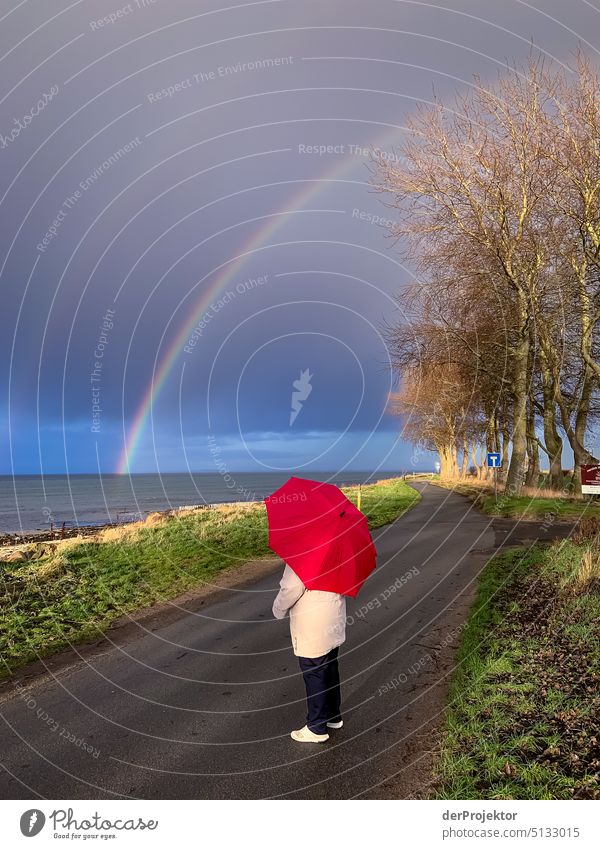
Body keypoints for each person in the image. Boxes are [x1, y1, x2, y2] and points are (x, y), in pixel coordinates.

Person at [272, 563, 346, 743]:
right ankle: (333, 716)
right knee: (329, 667)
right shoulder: (338, 550)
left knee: (314, 671)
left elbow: (292, 586)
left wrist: (278, 609)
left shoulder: (304, 553)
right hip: (333, 614)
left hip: (313, 619)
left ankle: (316, 727)